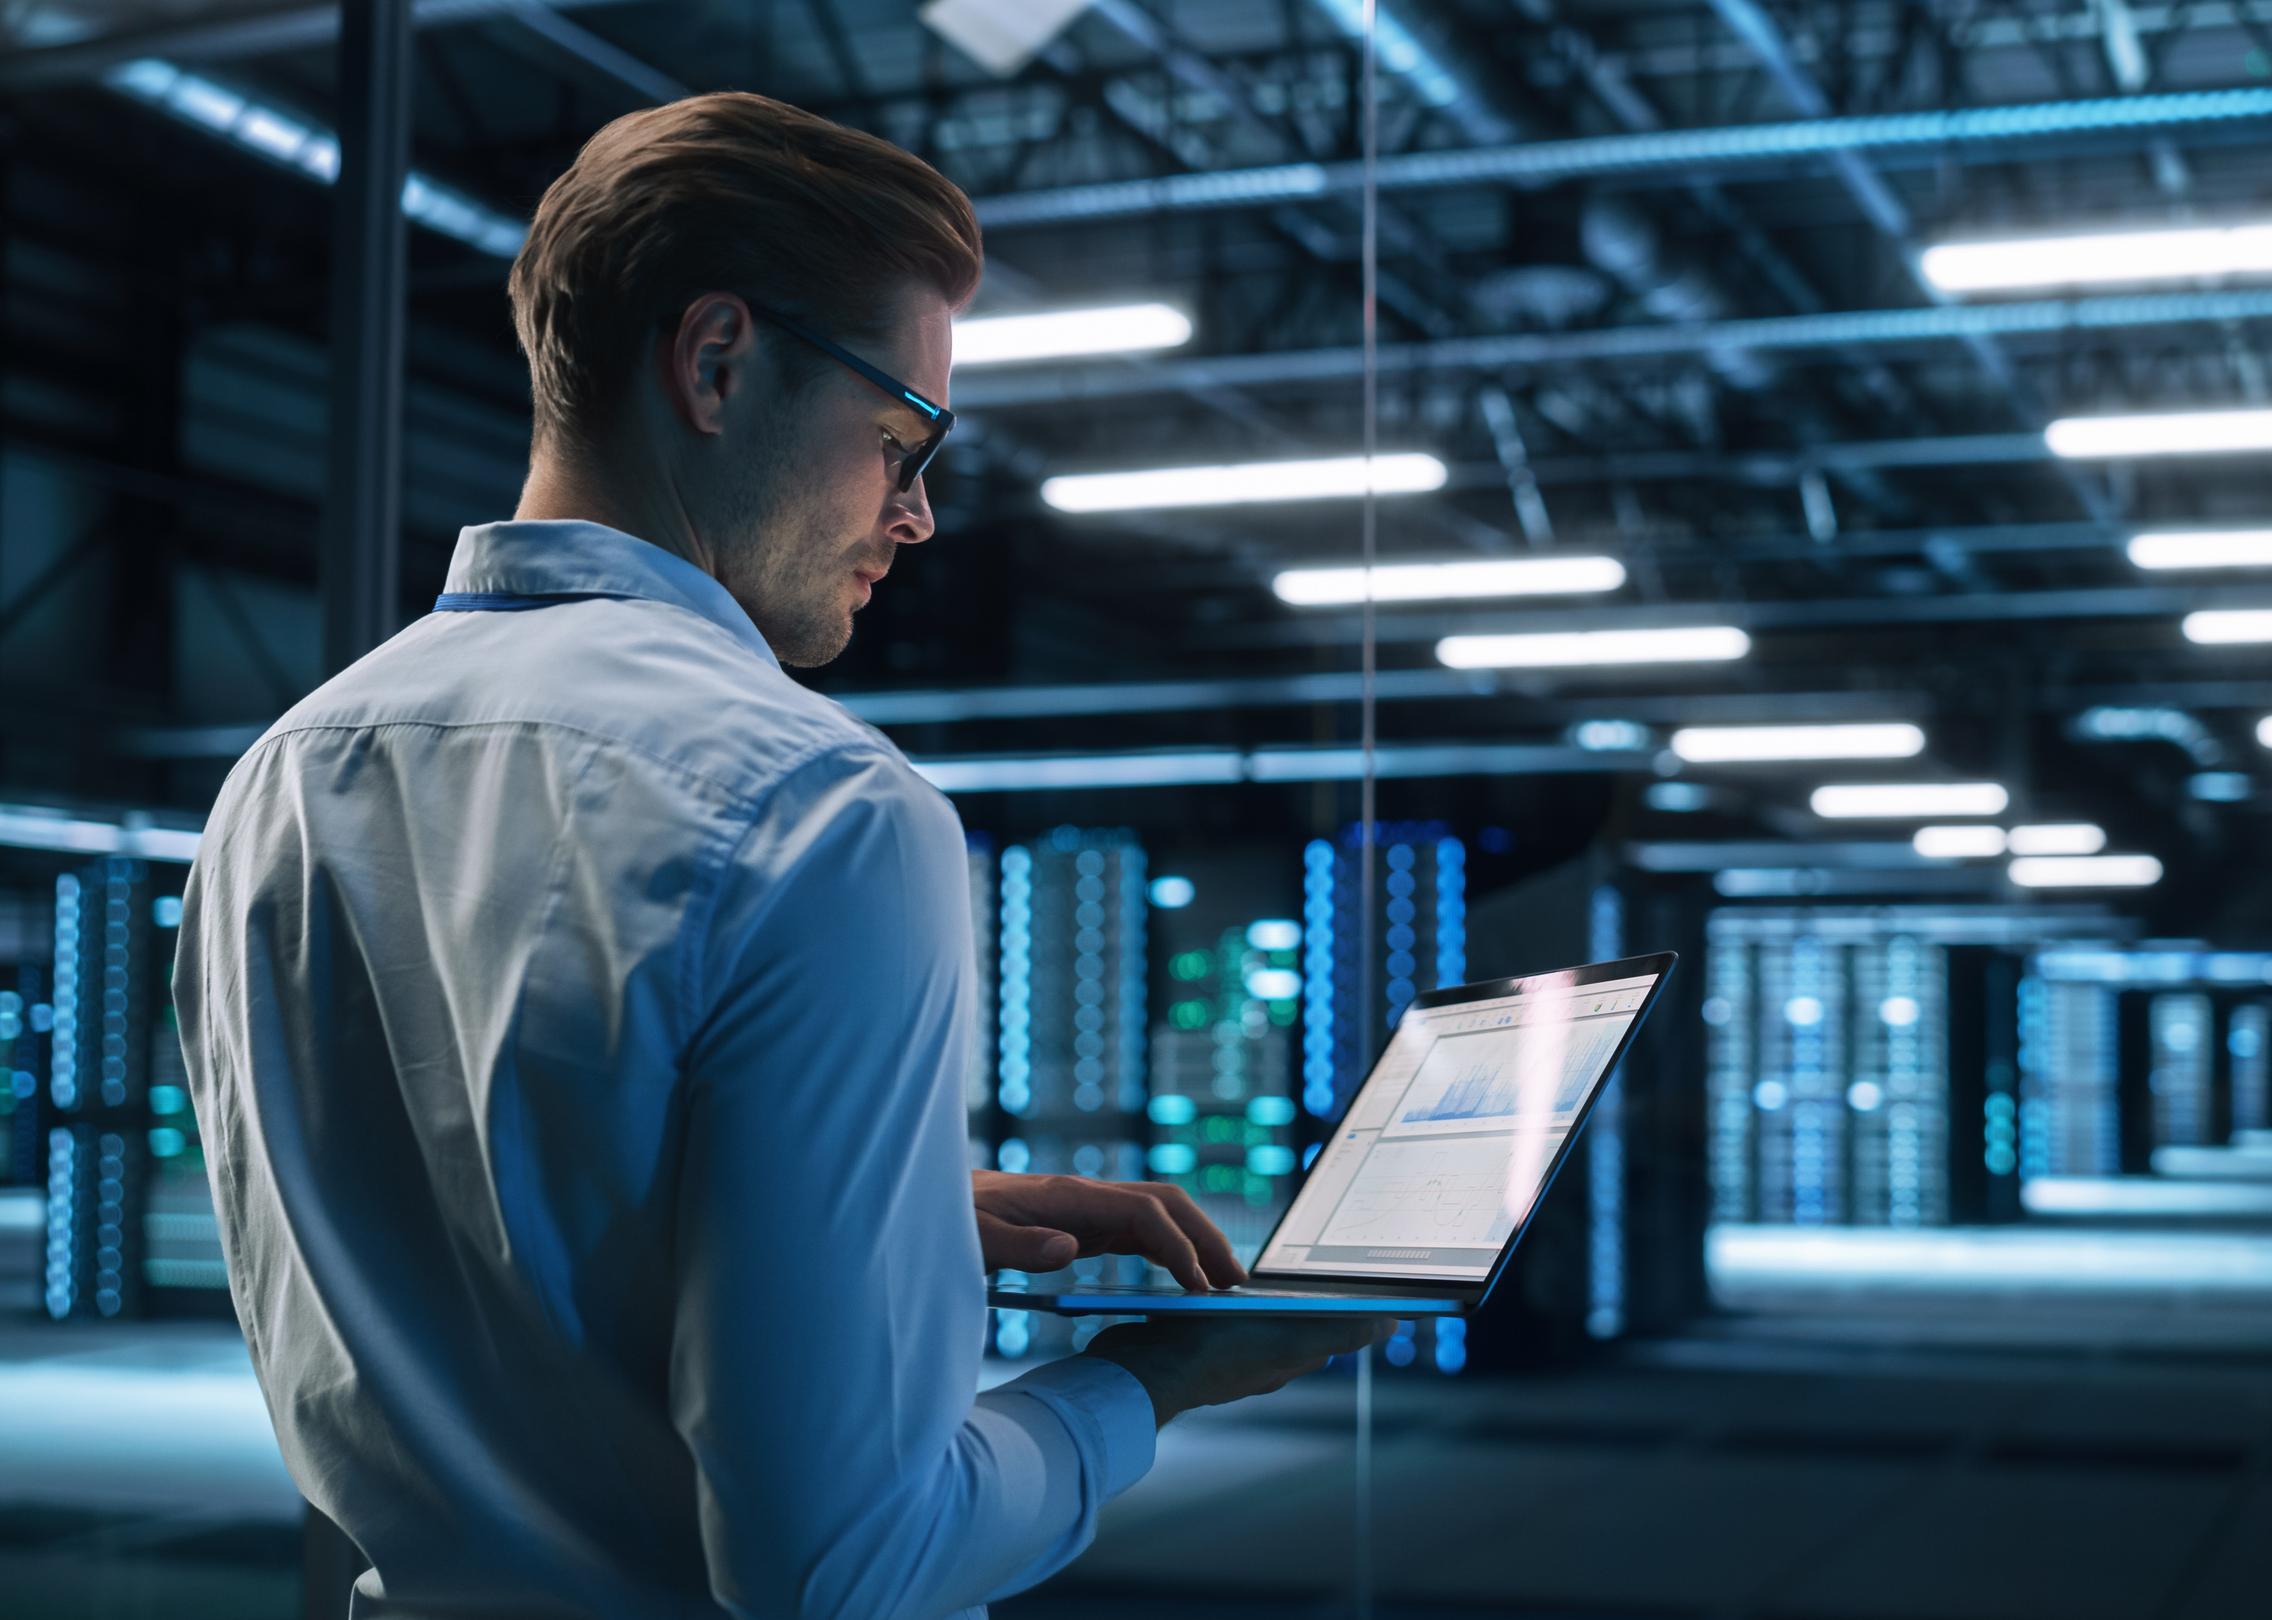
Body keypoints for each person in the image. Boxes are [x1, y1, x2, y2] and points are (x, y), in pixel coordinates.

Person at [173, 91, 1379, 1620]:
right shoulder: (822, 810)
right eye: (898, 438)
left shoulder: (278, 781)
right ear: (718, 362)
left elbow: (499, 1254)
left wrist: (887, 1220)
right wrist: (1148, 1386)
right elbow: (837, 1574)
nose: (919, 515)